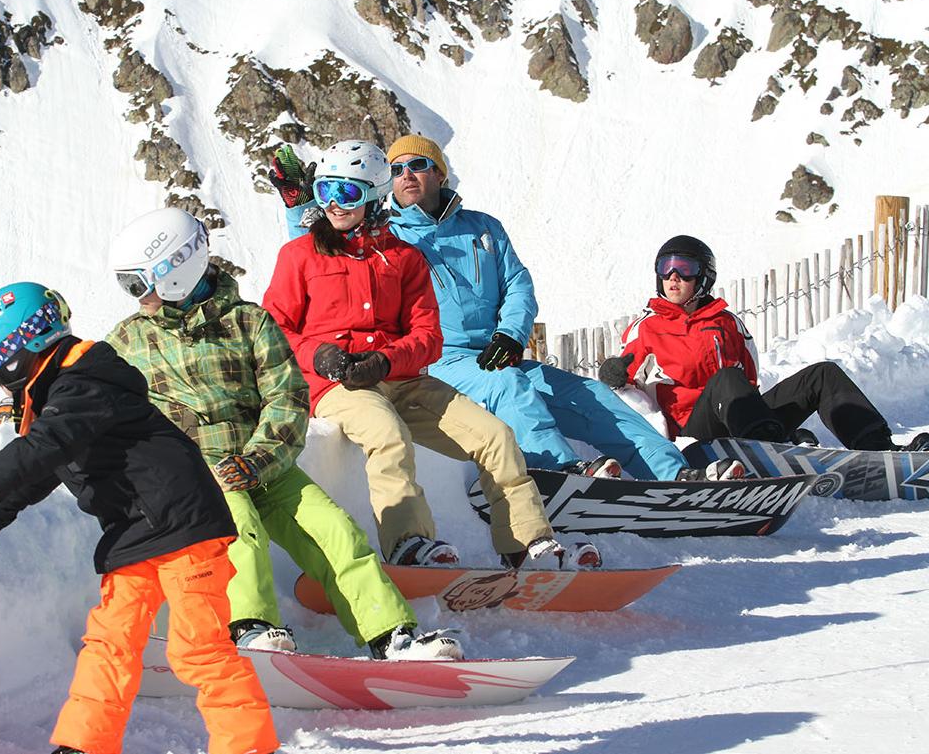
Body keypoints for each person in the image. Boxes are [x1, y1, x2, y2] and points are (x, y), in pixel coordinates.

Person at [0, 282, 277, 754]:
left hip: (184, 526)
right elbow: (32, 478)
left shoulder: (84, 384)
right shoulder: (64, 399)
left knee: (198, 649)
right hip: (134, 532)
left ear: (20, 350)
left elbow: (38, 451)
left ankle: (248, 746)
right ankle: (85, 745)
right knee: (110, 643)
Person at [270, 135, 739, 483]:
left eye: (418, 165)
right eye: (396, 169)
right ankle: (561, 471)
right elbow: (321, 246)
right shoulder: (387, 236)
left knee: (590, 395)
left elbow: (517, 284)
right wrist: (297, 205)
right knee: (507, 386)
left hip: (496, 351)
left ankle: (673, 473)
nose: (407, 174)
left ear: (439, 174)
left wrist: (511, 334)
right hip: (437, 360)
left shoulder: (482, 228)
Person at [104, 207, 461, 660]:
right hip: (201, 472)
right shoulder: (129, 342)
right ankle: (248, 626)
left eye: (139, 284)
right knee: (240, 530)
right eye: (130, 286)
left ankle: (390, 634)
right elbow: (99, 407)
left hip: (266, 465)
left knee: (337, 532)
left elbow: (286, 398)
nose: (139, 298)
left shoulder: (249, 323)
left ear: (176, 270)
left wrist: (258, 459)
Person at [263, 140, 598, 571]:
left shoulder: (403, 258)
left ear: (373, 194)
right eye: (324, 190)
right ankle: (409, 543)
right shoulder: (300, 255)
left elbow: (427, 336)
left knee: (495, 437)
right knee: (387, 434)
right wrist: (320, 355)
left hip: (402, 379)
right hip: (335, 383)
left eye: (346, 192)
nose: (333, 204)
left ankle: (528, 544)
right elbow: (275, 329)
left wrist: (387, 361)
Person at [599, 234, 929, 452]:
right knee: (726, 379)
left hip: (744, 422)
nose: (673, 277)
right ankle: (772, 448)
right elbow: (622, 383)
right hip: (694, 434)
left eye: (684, 268)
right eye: (666, 267)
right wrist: (613, 373)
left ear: (703, 277)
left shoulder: (727, 323)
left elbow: (751, 381)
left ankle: (877, 448)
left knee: (822, 375)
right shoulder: (648, 327)